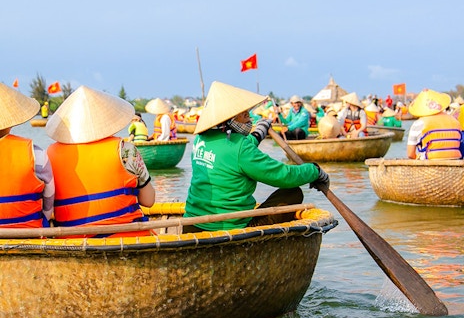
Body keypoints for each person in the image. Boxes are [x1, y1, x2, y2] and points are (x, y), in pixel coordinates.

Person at [182, 81, 330, 233]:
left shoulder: (201, 140)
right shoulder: (241, 148)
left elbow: (233, 152)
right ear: (229, 119)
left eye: (248, 113)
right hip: (232, 228)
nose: (249, 119)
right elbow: (283, 175)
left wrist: (259, 133)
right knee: (293, 192)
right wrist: (314, 170)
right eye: (244, 115)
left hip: (191, 223)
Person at [46, 86, 156, 235]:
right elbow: (149, 201)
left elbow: (47, 206)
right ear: (107, 119)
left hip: (72, 240)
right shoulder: (125, 149)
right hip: (125, 238)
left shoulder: (50, 153)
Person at [0, 84, 55, 229]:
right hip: (28, 231)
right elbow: (49, 198)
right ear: (11, 121)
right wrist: (45, 218)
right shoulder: (35, 153)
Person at [406, 89, 462, 160]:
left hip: (430, 165)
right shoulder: (454, 120)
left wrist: (417, 158)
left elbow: (410, 154)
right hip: (455, 162)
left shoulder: (419, 123)